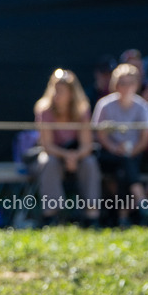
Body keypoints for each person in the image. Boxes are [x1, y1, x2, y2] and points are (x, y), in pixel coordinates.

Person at [34, 69, 102, 226]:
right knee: (48, 162)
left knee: (90, 163)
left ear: (71, 93)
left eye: (61, 91)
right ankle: (51, 216)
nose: (57, 94)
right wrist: (66, 155)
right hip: (54, 155)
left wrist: (75, 156)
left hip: (75, 156)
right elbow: (47, 145)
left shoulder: (82, 110)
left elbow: (87, 145)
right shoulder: (45, 110)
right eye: (55, 89)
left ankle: (92, 216)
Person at [93, 63, 148, 227]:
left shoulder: (143, 106)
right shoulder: (104, 104)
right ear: (115, 84)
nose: (126, 87)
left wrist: (131, 151)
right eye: (122, 83)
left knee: (124, 170)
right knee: (124, 164)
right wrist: (115, 148)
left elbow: (145, 139)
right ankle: (140, 201)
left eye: (130, 83)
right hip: (108, 154)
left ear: (137, 84)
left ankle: (122, 217)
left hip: (135, 155)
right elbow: (100, 134)